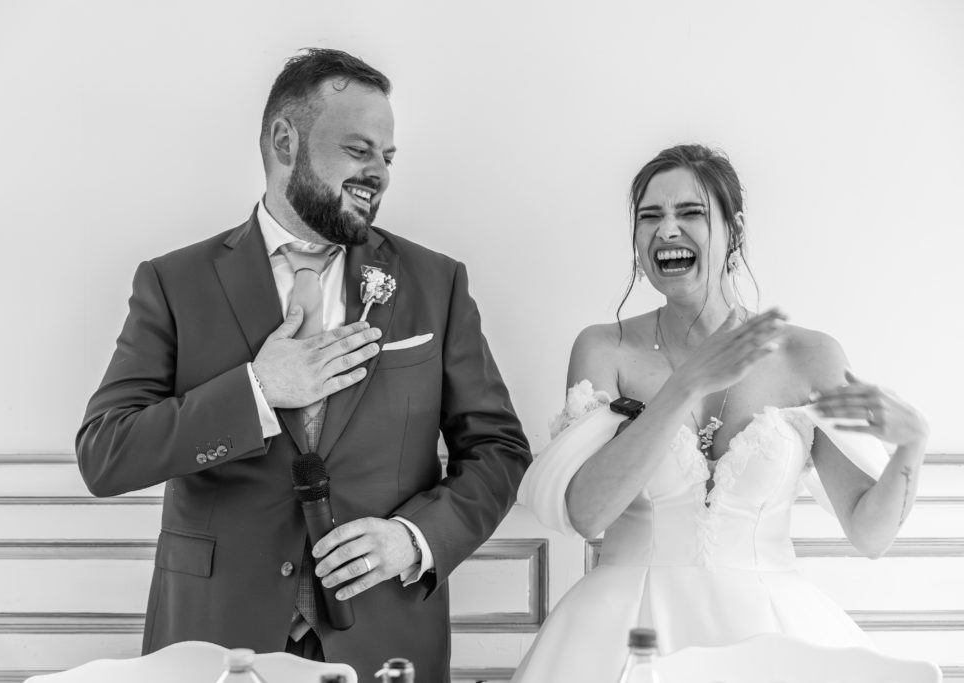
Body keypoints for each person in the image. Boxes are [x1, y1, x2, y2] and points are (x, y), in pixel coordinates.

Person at [76, 48, 531, 683]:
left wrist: (414, 539)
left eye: (387, 157)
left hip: (386, 637)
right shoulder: (174, 282)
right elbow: (105, 454)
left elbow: (498, 450)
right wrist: (257, 391)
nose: (379, 173)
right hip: (215, 642)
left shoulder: (436, 283)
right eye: (358, 150)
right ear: (285, 141)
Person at [512, 144, 929, 682]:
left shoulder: (810, 356)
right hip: (620, 633)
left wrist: (911, 447)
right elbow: (588, 516)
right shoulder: (603, 349)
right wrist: (686, 385)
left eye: (690, 213)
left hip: (773, 635)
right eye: (650, 217)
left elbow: (871, 535)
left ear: (734, 231)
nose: (666, 230)